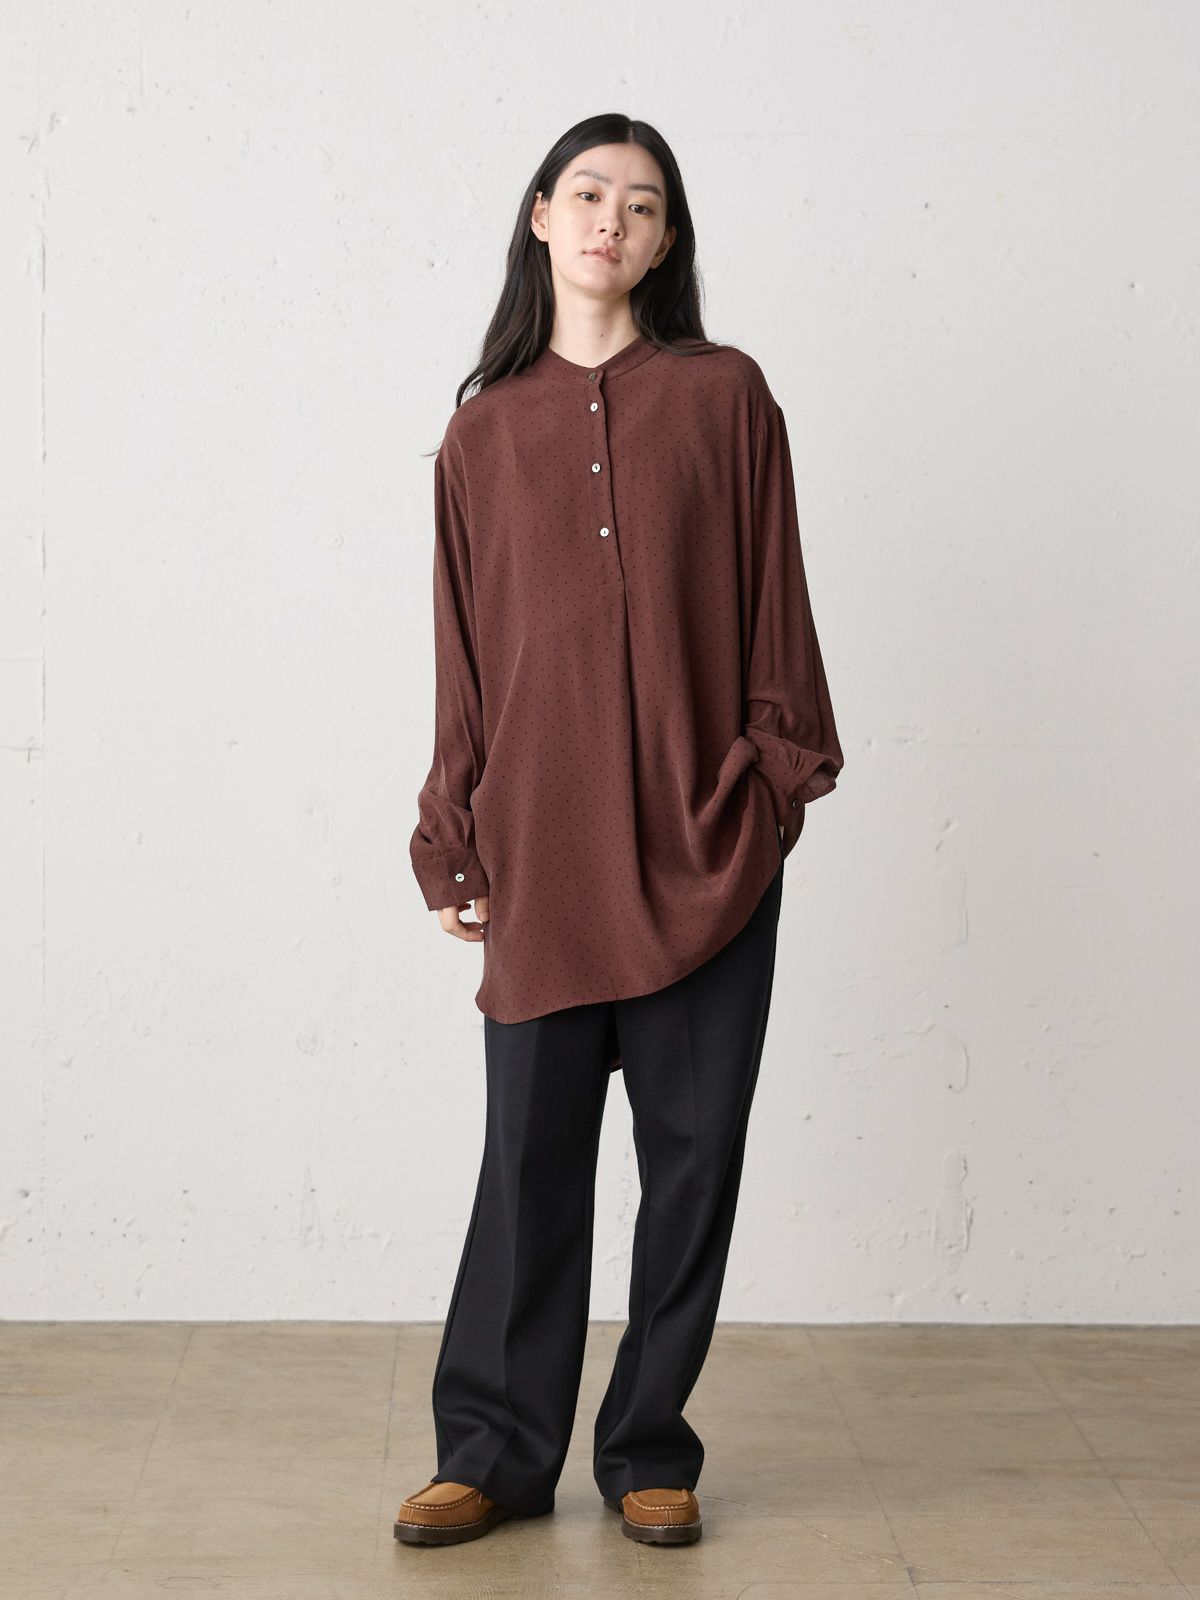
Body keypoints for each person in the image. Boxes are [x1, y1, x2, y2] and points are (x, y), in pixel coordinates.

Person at [395, 112, 844, 1549]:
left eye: (642, 205)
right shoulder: (483, 433)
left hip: (710, 850)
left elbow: (776, 603)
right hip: (539, 852)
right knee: (527, 1168)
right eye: (588, 193)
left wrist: (768, 785)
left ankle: (650, 1444)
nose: (611, 220)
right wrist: (451, 827)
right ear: (540, 217)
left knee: (691, 1171)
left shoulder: (725, 397)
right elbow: (466, 659)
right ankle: (494, 1451)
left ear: (665, 240)